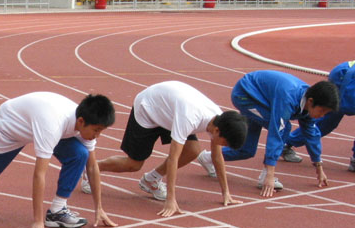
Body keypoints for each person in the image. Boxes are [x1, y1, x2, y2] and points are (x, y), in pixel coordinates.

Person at [0, 92, 116, 228]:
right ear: (81, 121)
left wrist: (99, 208)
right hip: (13, 127)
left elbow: (92, 167)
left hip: (39, 123)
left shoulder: (85, 123)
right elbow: (39, 174)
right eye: (96, 130)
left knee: (80, 154)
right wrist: (37, 222)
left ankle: (57, 210)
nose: (98, 136)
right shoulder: (53, 125)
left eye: (101, 131)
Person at [98, 81, 248, 217]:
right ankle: (93, 168)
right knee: (133, 164)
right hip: (149, 108)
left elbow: (217, 157)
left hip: (170, 111)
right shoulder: (190, 118)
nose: (224, 146)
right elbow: (173, 158)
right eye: (225, 143)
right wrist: (171, 199)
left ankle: (151, 179)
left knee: (193, 150)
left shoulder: (220, 120)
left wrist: (226, 193)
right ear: (216, 131)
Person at [197, 71, 339, 196]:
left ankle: (207, 158)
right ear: (311, 101)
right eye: (322, 111)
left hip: (264, 101)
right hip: (246, 96)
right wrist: (270, 174)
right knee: (284, 128)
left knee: (247, 150)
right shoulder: (288, 98)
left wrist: (318, 166)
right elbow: (277, 132)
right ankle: (265, 176)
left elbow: (311, 134)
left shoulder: (308, 104)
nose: (322, 116)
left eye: (326, 113)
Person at [282, 60, 355, 171]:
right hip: (346, 76)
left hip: (345, 73)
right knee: (326, 120)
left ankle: (287, 143)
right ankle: (286, 143)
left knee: (327, 121)